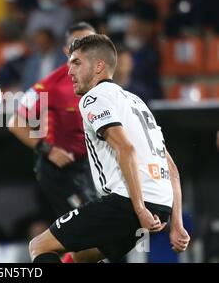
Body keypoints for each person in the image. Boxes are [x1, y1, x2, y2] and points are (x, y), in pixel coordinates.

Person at [29, 34, 190, 263]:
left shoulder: (94, 98)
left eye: (76, 63)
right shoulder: (137, 103)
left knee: (39, 246)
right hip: (161, 204)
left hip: (127, 203)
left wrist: (139, 209)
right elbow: (171, 168)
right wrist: (177, 224)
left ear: (99, 66)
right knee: (80, 257)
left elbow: (126, 150)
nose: (69, 71)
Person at [8, 22, 98, 220]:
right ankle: (40, 249)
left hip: (91, 167)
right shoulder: (51, 85)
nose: (85, 50)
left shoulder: (103, 83)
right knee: (85, 225)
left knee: (95, 233)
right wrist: (47, 149)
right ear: (67, 50)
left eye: (90, 44)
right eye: (78, 44)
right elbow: (15, 122)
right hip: (60, 170)